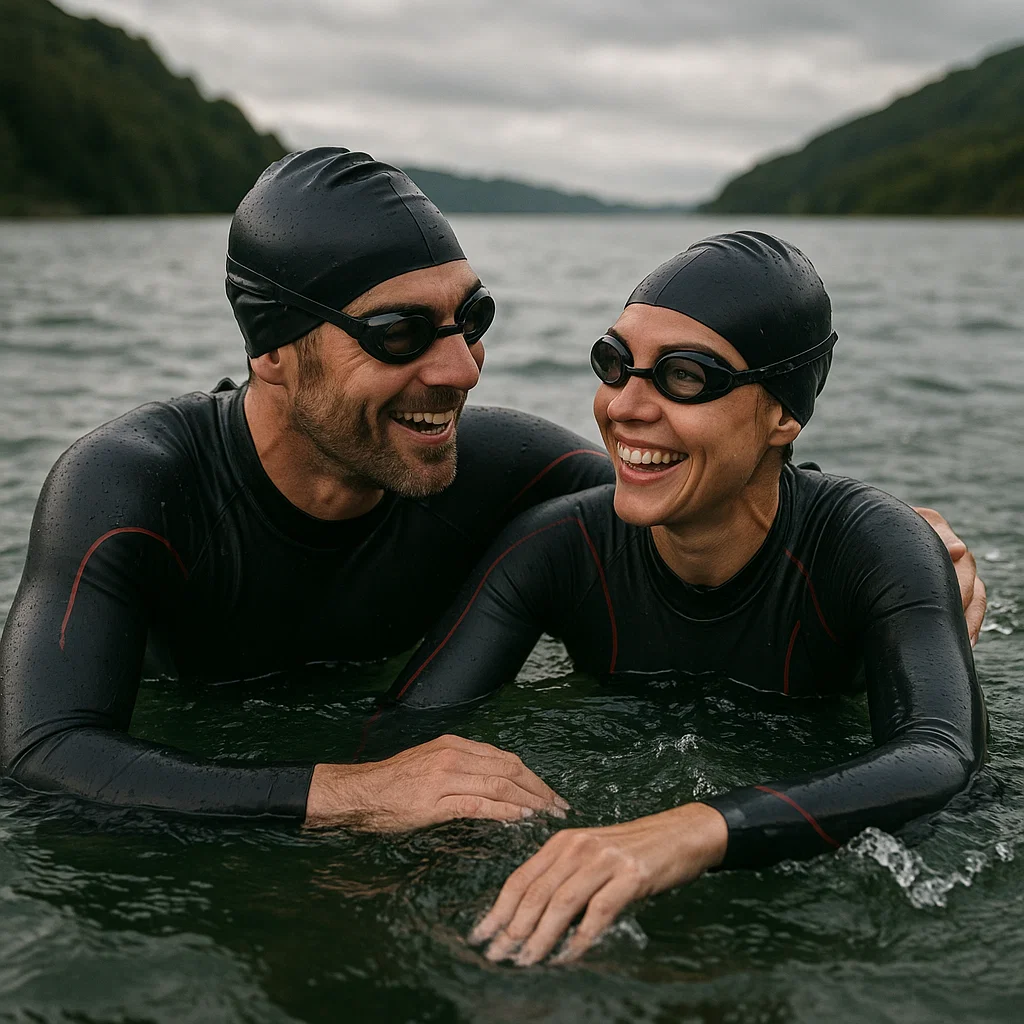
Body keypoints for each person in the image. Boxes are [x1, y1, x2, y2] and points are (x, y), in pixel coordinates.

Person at [0, 150, 981, 827]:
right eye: (399, 334)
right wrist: (351, 793)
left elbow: (695, 494)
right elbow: (40, 753)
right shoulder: (135, 486)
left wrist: (891, 547)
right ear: (273, 349)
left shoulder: (505, 466)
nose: (462, 369)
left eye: (471, 319)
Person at [384, 232, 988, 965]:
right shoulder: (556, 547)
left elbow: (939, 756)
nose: (625, 406)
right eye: (614, 363)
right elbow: (399, 748)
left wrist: (693, 830)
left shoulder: (871, 547)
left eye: (686, 377)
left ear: (783, 415)